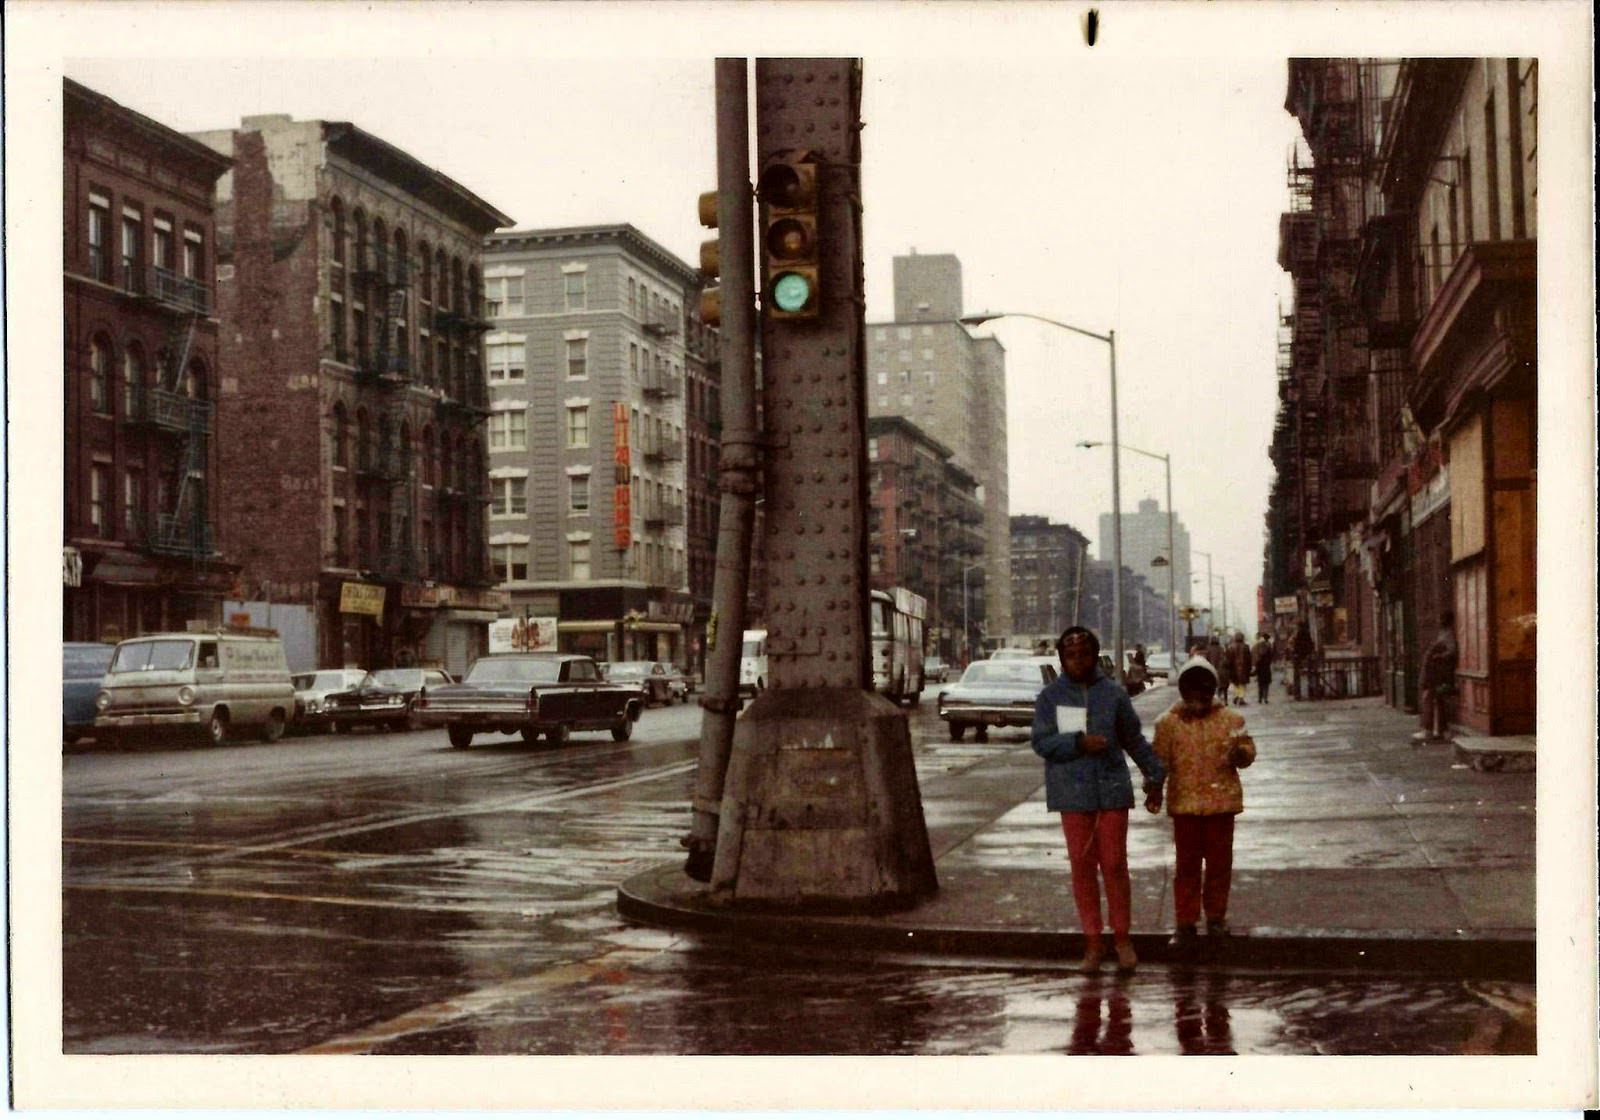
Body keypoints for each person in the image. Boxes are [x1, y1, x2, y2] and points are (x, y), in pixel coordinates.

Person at [1032, 626, 1165, 974]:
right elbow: (1042, 743)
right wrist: (1077, 744)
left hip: (1111, 791)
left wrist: (1155, 774)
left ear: (1095, 656)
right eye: (1071, 655)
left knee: (1115, 865)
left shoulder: (1114, 695)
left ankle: (1122, 939)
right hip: (1071, 794)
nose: (1079, 661)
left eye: (1085, 654)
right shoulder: (1050, 697)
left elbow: (1133, 739)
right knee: (1082, 867)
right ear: (1062, 658)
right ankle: (1093, 942)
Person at [1149, 657, 1255, 955]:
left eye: (1204, 689)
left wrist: (1241, 755)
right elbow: (1159, 762)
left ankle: (1216, 918)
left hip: (1222, 805)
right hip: (1185, 807)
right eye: (1191, 689)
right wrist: (1153, 789)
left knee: (1220, 866)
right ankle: (1185, 922)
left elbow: (1247, 750)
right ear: (1183, 690)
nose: (1198, 697)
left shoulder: (1231, 720)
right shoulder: (1167, 723)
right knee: (1187, 868)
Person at [1413, 610, 1459, 742]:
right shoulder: (1443, 633)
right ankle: (1435, 730)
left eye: (1441, 619)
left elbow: (1452, 651)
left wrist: (1439, 656)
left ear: (1445, 620)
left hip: (1439, 675)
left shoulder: (1448, 633)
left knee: (1429, 698)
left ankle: (1430, 729)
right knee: (1432, 699)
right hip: (1435, 673)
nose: (1438, 621)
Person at [1224, 632, 1253, 706]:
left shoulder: (1230, 647)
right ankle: (1241, 698)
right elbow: (1249, 658)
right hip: (1244, 669)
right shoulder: (1246, 647)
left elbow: (1228, 659)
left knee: (1236, 684)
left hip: (1233, 669)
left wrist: (1228, 668)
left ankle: (1237, 696)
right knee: (1242, 685)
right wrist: (1249, 668)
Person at [1292, 620, 1315, 699]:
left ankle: (1298, 694)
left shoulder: (1300, 634)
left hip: (1300, 657)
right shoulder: (1307, 633)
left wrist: (1296, 653)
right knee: (1309, 675)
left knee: (1298, 676)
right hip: (1306, 656)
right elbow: (1310, 645)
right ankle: (1311, 692)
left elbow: (1297, 645)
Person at [1251, 632, 1275, 703]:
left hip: (1260, 667)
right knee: (1266, 684)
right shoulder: (1269, 646)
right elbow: (1271, 656)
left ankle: (1260, 698)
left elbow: (1254, 655)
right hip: (1266, 667)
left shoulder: (1257, 646)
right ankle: (1265, 698)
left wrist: (1254, 664)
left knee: (1260, 684)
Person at [1206, 635, 1228, 702]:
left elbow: (1207, 658)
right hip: (1220, 669)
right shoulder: (1221, 648)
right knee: (1221, 685)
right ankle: (1223, 699)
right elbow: (1224, 659)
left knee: (1212, 684)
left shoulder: (1208, 648)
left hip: (1211, 668)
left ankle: (1214, 697)